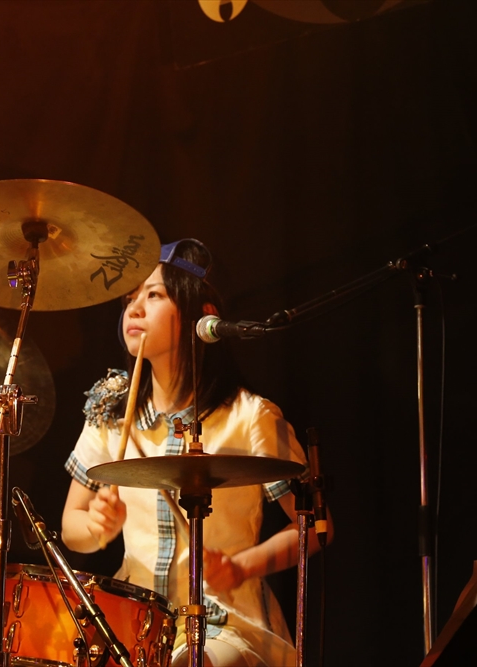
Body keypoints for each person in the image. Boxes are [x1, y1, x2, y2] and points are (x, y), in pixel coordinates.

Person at [61, 239, 331, 666]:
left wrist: (241, 566)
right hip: (133, 621)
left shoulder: (250, 416)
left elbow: (316, 527)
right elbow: (70, 527)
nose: (134, 309)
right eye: (130, 299)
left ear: (201, 315)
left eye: (154, 295)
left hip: (225, 621)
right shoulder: (110, 412)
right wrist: (96, 526)